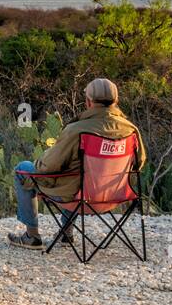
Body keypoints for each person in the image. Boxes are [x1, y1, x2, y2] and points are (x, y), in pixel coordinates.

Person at [9, 77, 146, 250]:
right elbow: (139, 162)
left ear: (88, 102)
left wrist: (39, 161)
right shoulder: (131, 130)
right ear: (116, 101)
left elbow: (49, 166)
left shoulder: (77, 130)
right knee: (77, 171)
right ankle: (66, 234)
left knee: (23, 169)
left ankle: (32, 236)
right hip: (116, 196)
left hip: (78, 197)